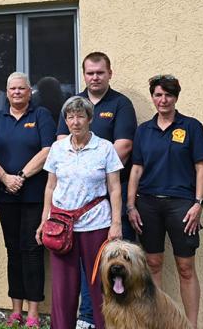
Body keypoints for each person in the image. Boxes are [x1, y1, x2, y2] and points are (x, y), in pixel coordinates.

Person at [56, 52, 137, 329]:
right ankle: (85, 317)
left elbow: (124, 147)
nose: (95, 77)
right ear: (84, 75)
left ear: (109, 73)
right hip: (73, 208)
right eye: (90, 73)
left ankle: (106, 320)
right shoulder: (73, 104)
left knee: (105, 267)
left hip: (106, 200)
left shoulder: (121, 104)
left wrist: (92, 170)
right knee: (78, 268)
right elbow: (61, 143)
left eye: (100, 72)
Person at [127, 75, 203, 328]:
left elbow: (201, 168)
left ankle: (191, 325)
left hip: (182, 206)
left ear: (176, 97)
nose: (163, 100)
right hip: (148, 204)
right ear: (153, 97)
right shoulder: (143, 130)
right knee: (152, 264)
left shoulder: (192, 127)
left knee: (186, 267)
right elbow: (136, 170)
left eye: (168, 95)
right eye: (158, 95)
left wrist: (198, 204)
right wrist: (131, 206)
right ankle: (158, 322)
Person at [37, 96, 123, 329]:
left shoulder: (104, 148)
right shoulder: (57, 149)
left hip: (97, 224)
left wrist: (116, 223)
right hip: (61, 226)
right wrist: (44, 220)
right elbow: (50, 187)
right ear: (65, 120)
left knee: (100, 286)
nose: (75, 122)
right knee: (63, 288)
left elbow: (115, 188)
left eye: (80, 116)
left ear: (90, 119)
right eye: (70, 117)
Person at [0, 72, 55, 328]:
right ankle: (16, 311)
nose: (16, 92)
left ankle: (33, 312)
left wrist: (21, 176)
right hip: (6, 195)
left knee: (33, 250)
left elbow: (48, 150)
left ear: (29, 91)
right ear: (7, 92)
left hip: (34, 195)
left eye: (21, 88)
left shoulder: (41, 116)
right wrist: (5, 178)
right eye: (12, 89)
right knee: (13, 250)